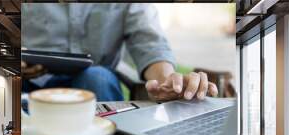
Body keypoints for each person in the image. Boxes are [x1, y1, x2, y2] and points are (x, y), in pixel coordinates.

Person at [21, 3, 218, 101]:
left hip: (93, 82)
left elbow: (150, 44)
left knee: (96, 76)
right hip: (31, 83)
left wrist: (168, 81)